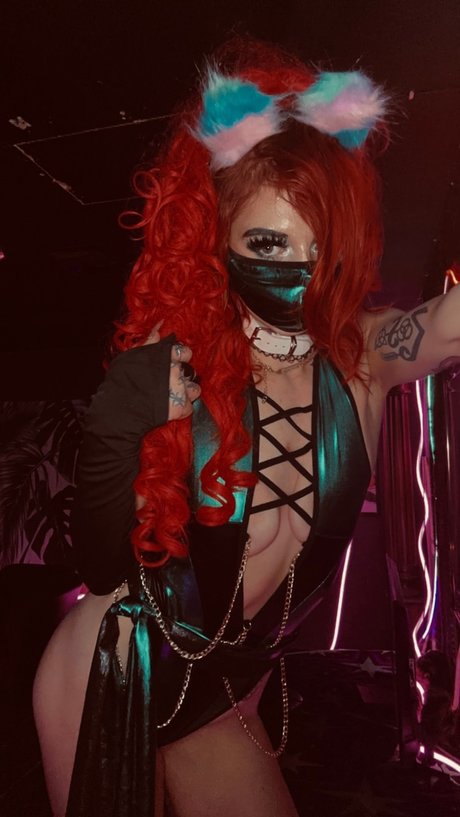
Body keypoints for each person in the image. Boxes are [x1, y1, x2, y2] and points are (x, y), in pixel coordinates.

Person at [33, 38, 460, 817]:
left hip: (223, 699)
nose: (297, 269)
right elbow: (100, 563)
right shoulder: (177, 371)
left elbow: (449, 323)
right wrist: (123, 427)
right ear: (217, 239)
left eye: (317, 245)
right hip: (113, 667)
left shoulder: (361, 365)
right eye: (269, 243)